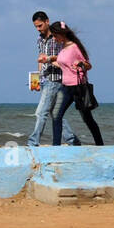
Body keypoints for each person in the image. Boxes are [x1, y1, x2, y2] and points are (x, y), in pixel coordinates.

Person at [28, 11, 79, 146]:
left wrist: (49, 60)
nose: (38, 29)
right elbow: (40, 58)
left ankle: (32, 143)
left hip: (56, 78)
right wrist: (37, 78)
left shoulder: (57, 38)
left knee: (41, 112)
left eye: (40, 26)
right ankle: (72, 140)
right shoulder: (39, 39)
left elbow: (65, 59)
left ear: (47, 21)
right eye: (36, 27)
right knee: (55, 113)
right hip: (45, 79)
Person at [50, 22, 104, 146]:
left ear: (61, 34)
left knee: (87, 119)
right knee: (55, 114)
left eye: (54, 35)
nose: (54, 38)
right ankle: (55, 147)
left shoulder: (75, 47)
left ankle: (100, 145)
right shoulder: (63, 47)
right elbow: (64, 64)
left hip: (78, 87)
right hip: (65, 87)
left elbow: (88, 65)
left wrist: (81, 64)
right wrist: (49, 61)